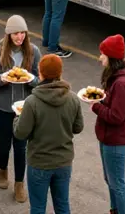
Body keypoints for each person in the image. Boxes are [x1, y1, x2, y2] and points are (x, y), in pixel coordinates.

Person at [14, 54, 83, 214]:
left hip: (39, 162)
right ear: (60, 72)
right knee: (62, 205)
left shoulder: (32, 102)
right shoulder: (72, 99)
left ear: (41, 73)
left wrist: (17, 117)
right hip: (64, 162)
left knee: (38, 207)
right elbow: (78, 127)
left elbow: (20, 133)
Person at [0, 14, 41, 203]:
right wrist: (3, 78)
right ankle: (2, 170)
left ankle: (18, 184)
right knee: (3, 145)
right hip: (1, 108)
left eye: (22, 33)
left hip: (24, 109)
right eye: (16, 33)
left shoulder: (33, 51)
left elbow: (41, 81)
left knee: (20, 147)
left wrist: (30, 79)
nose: (19, 37)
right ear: (8, 34)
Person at [91, 35, 125, 214]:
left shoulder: (122, 84)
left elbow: (116, 116)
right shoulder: (115, 78)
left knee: (117, 183)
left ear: (111, 56)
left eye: (102, 54)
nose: (100, 57)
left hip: (116, 141)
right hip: (108, 137)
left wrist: (95, 106)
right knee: (110, 179)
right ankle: (115, 210)